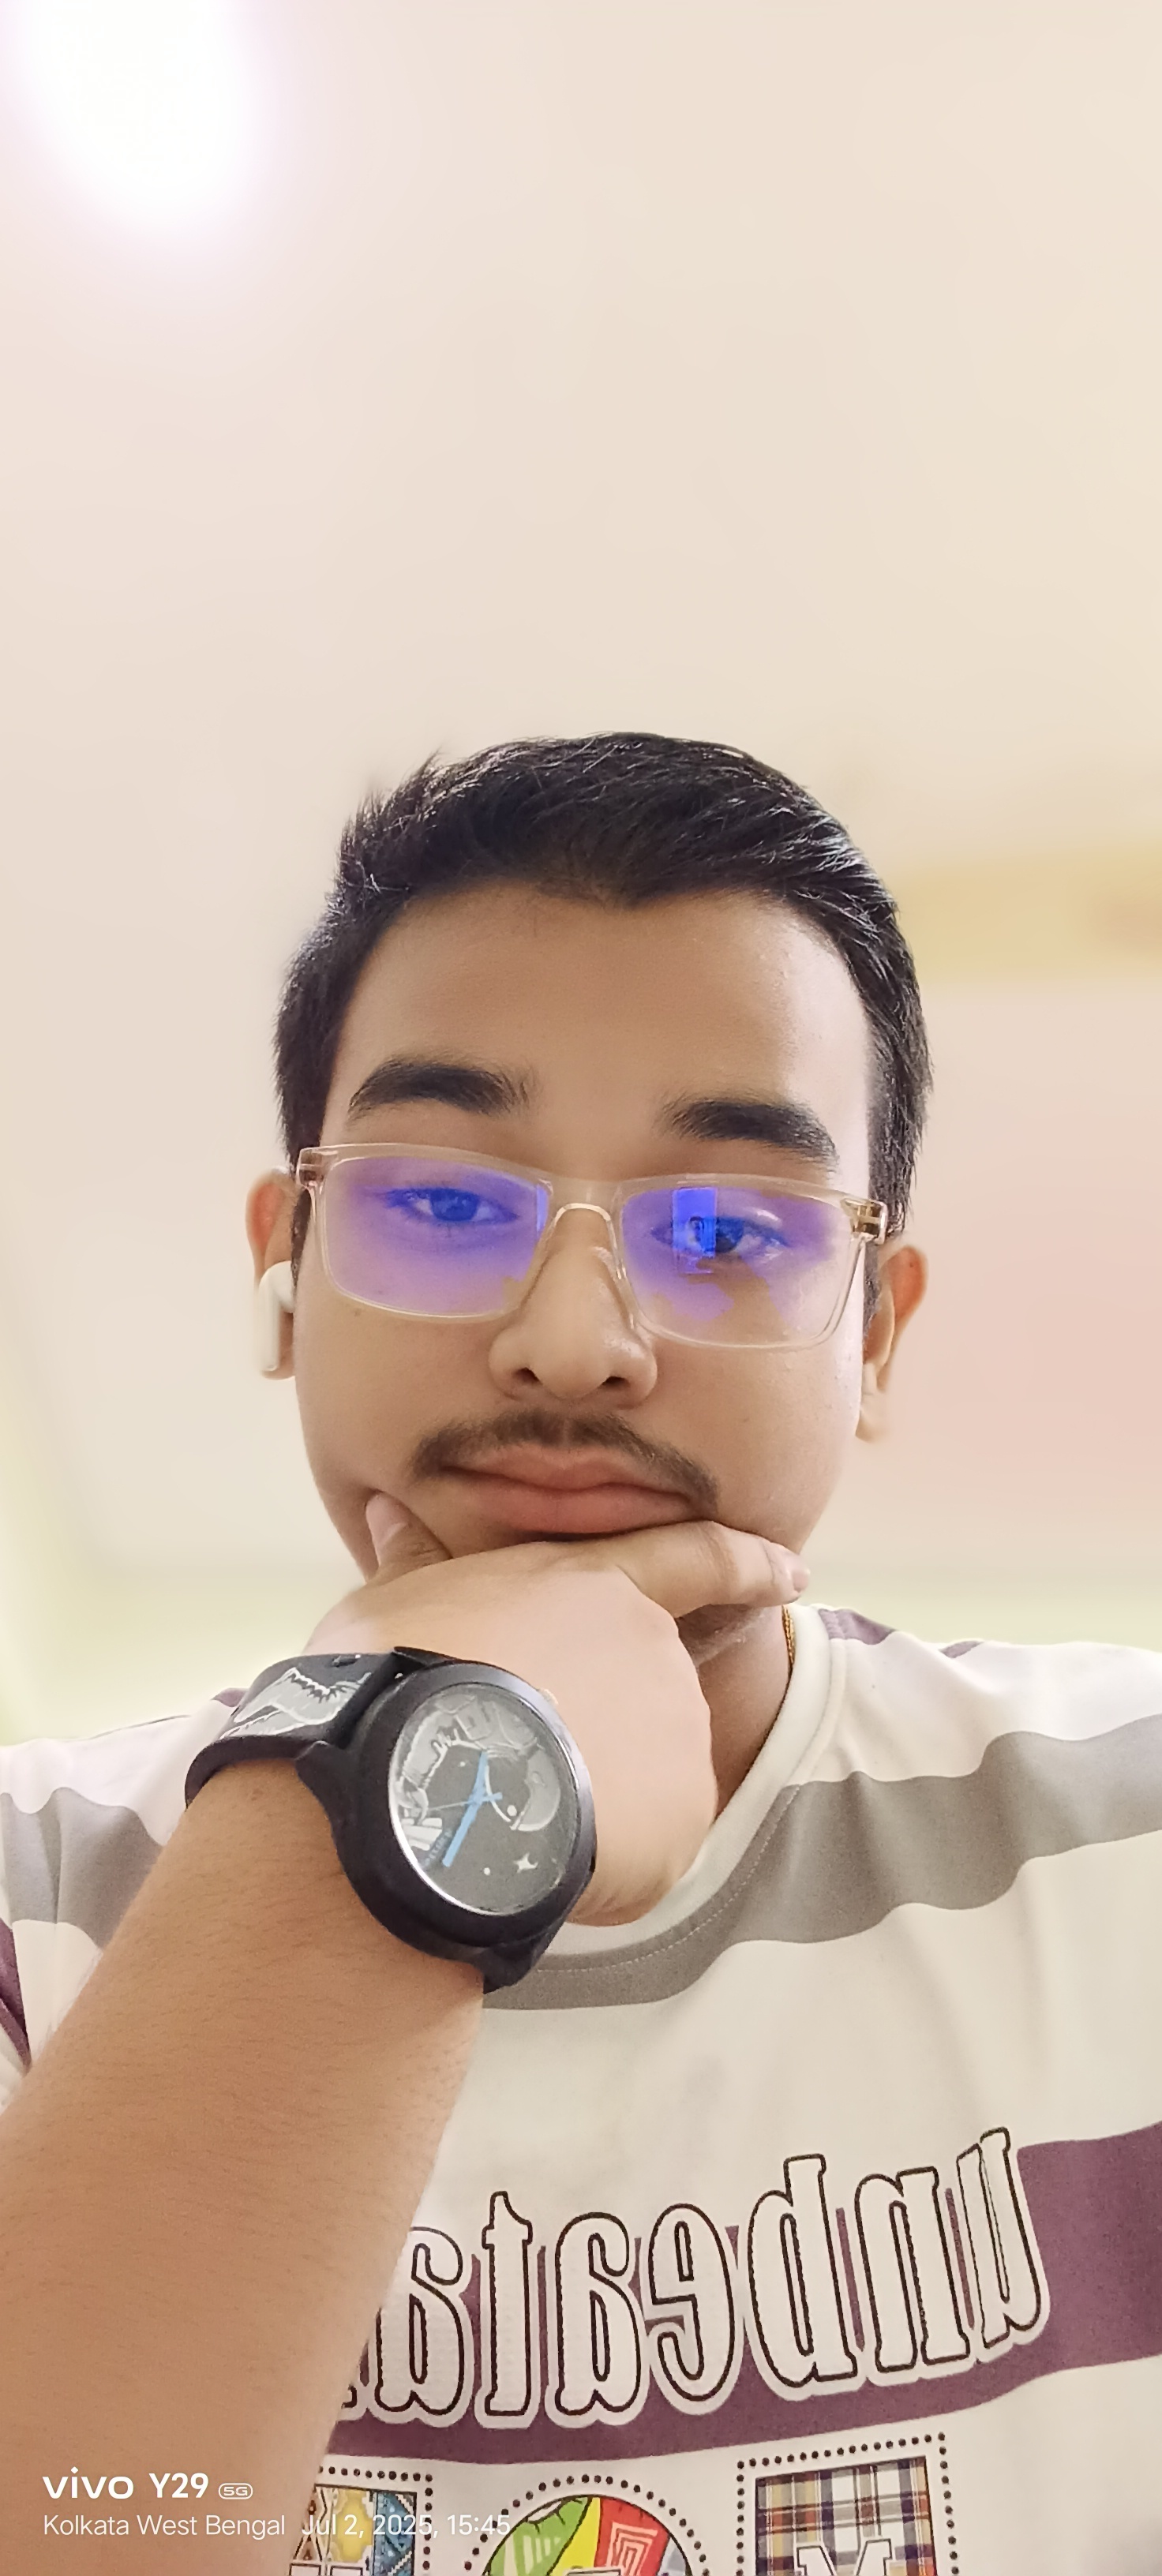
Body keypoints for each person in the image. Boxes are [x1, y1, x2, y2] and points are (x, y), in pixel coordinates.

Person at [1, 734, 1159, 2576]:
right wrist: (387, 1789)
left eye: (726, 1230)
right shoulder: (29, 1901)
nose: (572, 1342)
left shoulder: (1127, 1841)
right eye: (446, 1205)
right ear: (283, 1268)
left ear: (873, 1332)